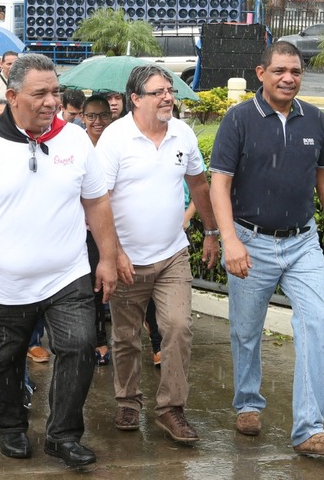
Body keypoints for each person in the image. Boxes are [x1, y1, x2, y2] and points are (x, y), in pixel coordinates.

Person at [0, 53, 118, 469]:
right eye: (40, 94)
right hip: (4, 283)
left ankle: (63, 435)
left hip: (67, 275)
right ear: (13, 97)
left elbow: (97, 203)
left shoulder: (75, 140)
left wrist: (107, 259)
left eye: (55, 91)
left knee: (79, 347)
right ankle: (10, 427)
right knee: (5, 358)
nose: (51, 101)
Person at [208, 41, 324, 457]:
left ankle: (310, 429)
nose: (288, 78)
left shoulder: (314, 118)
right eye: (280, 71)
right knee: (246, 330)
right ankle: (248, 403)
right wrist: (230, 239)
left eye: (296, 72)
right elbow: (220, 184)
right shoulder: (238, 119)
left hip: (303, 242)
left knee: (318, 323)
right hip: (250, 241)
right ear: (261, 73)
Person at [96, 64, 219, 444]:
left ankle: (170, 408)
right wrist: (113, 253)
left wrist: (211, 232)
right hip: (127, 259)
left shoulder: (183, 133)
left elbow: (199, 184)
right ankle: (128, 401)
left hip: (172, 256)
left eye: (170, 90)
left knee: (178, 327)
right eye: (158, 92)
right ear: (135, 98)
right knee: (126, 336)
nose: (168, 97)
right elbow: (98, 201)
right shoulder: (115, 139)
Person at [81, 94, 113, 365]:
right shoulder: (77, 145)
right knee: (94, 286)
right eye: (91, 116)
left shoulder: (119, 143)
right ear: (83, 118)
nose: (97, 121)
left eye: (103, 115)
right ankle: (99, 340)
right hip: (85, 228)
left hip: (117, 224)